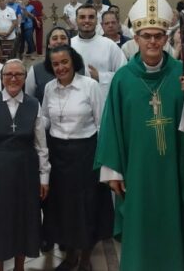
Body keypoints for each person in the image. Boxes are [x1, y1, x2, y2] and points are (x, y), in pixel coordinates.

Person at [95, 0, 184, 270]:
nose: (153, 41)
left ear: (166, 39)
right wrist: (113, 172)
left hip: (174, 170)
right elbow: (112, 124)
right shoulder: (123, 78)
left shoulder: (182, 74)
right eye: (147, 36)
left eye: (159, 35)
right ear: (136, 39)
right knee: (140, 230)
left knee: (173, 227)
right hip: (137, 171)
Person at [0, 59, 50, 271]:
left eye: (18, 75)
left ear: (25, 78)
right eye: (9, 75)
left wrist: (44, 177)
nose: (13, 79)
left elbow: (41, 145)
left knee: (23, 220)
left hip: (26, 171)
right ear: (2, 78)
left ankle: (19, 267)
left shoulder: (34, 104)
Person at [40, 46, 112, 270]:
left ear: (74, 62)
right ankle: (70, 255)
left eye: (64, 62)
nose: (60, 67)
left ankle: (85, 259)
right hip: (58, 153)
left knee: (86, 206)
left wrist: (102, 158)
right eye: (55, 64)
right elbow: (44, 119)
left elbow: (101, 123)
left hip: (86, 152)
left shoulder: (89, 85)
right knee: (62, 207)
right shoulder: (49, 88)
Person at [71, 4, 126, 97]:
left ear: (97, 21)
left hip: (103, 101)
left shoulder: (109, 45)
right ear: (76, 20)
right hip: (74, 101)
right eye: (82, 17)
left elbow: (124, 75)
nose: (87, 20)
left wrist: (100, 77)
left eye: (91, 17)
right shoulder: (69, 45)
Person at [25, 26, 70, 102]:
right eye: (55, 38)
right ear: (48, 44)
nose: (59, 41)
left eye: (63, 38)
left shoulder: (81, 68)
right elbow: (28, 100)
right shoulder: (35, 71)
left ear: (69, 42)